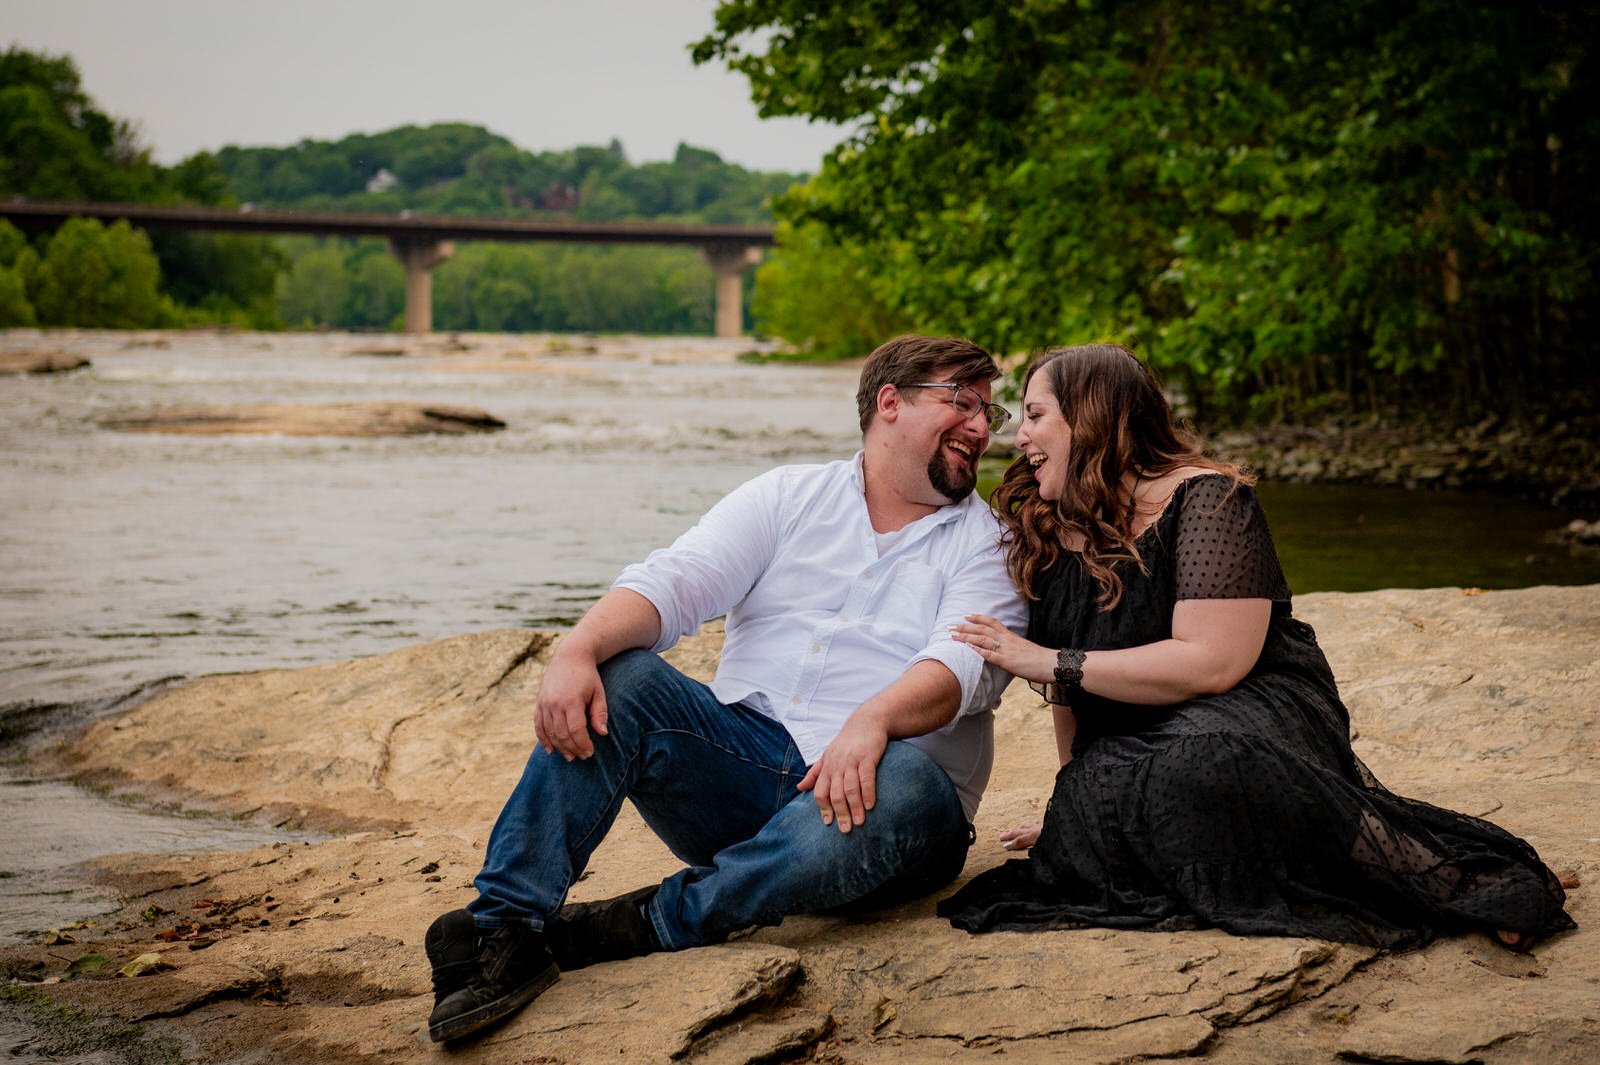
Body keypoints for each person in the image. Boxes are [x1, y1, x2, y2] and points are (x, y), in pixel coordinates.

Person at [424, 335, 1028, 1043]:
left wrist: (873, 718)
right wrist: (577, 647)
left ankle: (646, 920)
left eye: (991, 411)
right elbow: (677, 579)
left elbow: (959, 667)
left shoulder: (994, 543)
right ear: (889, 403)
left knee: (908, 779)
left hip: (886, 810)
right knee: (624, 677)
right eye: (962, 401)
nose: (984, 427)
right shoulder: (786, 495)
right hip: (747, 773)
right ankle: (506, 930)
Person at [940, 343, 1575, 950]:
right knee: (1092, 802)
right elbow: (1071, 692)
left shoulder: (1209, 500)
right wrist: (1069, 791)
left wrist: (1049, 660)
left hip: (1253, 709)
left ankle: (1452, 883)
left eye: (1035, 416)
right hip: (1135, 735)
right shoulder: (1052, 528)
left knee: (1206, 760)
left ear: (1095, 415)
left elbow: (1213, 662)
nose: (1018, 438)